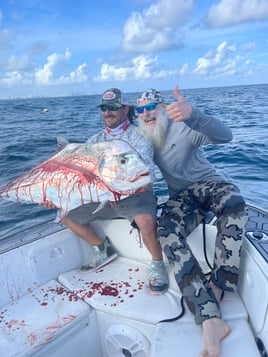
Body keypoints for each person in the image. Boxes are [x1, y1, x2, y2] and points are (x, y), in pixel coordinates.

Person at [136, 86, 248, 357]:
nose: (146, 113)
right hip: (181, 197)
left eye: (151, 106)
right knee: (166, 231)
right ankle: (210, 319)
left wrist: (194, 115)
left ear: (163, 108)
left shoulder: (183, 125)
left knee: (234, 203)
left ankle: (219, 285)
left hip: (211, 185)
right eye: (140, 109)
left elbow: (226, 136)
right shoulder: (142, 139)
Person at [46, 88, 168, 294]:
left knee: (146, 221)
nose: (107, 112)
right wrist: (56, 188)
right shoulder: (94, 140)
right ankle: (102, 248)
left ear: (125, 109)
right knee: (64, 214)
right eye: (104, 108)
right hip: (102, 195)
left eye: (112, 108)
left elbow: (147, 175)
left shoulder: (139, 135)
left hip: (135, 195)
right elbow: (81, 176)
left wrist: (120, 187)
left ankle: (157, 264)